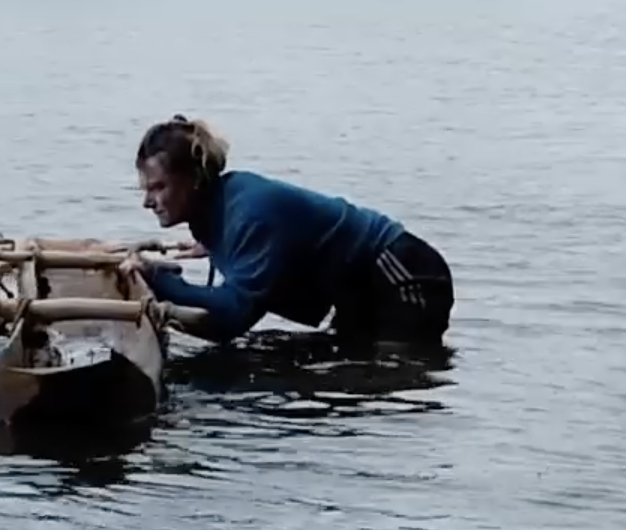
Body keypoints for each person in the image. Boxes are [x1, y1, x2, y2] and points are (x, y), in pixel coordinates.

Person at [125, 114, 453, 352]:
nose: (147, 202)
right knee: (353, 363)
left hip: (402, 272)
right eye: (145, 188)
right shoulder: (214, 218)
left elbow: (233, 306)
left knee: (399, 374)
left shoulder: (250, 214)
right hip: (357, 288)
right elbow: (233, 323)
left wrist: (163, 282)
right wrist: (166, 311)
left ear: (194, 179)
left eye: (158, 187)